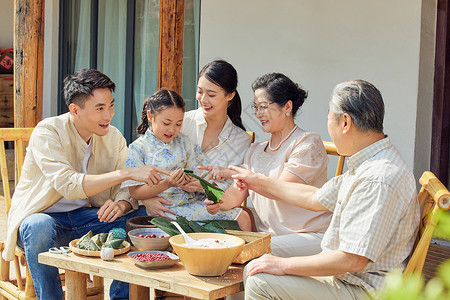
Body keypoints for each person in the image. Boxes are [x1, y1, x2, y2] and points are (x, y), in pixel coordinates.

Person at [230, 80, 420, 299]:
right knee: (256, 262)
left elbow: (352, 260)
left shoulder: (376, 179)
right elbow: (315, 197)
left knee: (260, 282)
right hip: (348, 277)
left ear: (345, 123)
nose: (328, 125)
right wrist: (256, 181)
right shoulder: (368, 163)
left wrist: (284, 265)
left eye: (329, 118)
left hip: (362, 290)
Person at [2, 69, 168, 300]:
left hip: (88, 218)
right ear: (75, 110)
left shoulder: (114, 137)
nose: (108, 115)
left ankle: (121, 298)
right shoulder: (47, 132)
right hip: (43, 219)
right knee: (38, 226)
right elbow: (70, 185)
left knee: (140, 221)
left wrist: (121, 204)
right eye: (99, 108)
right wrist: (124, 173)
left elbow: (126, 187)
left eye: (111, 105)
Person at [202, 73, 332, 257]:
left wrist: (244, 177)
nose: (257, 114)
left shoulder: (307, 144)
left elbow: (280, 190)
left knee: (248, 251)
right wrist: (214, 200)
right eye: (255, 107)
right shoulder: (255, 150)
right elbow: (231, 199)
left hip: (309, 236)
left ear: (287, 106)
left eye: (263, 107)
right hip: (270, 239)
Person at [121, 89, 252, 230]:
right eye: (166, 123)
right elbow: (134, 192)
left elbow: (201, 176)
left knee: (241, 216)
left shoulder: (185, 142)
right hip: (165, 209)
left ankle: (254, 252)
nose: (172, 130)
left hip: (192, 203)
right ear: (150, 116)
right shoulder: (138, 148)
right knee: (241, 217)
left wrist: (194, 182)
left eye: (178, 124)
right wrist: (167, 184)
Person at [142, 59, 252, 219]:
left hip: (208, 212)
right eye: (200, 92)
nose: (203, 99)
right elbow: (143, 157)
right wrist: (147, 200)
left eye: (211, 94)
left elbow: (232, 193)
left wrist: (204, 187)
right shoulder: (181, 122)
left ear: (230, 95)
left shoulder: (240, 140)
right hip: (165, 205)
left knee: (243, 217)